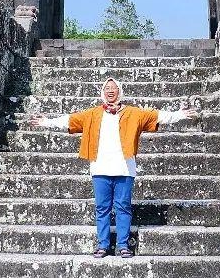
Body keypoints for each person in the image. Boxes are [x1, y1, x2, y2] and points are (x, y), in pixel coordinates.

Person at [29, 77, 198, 259]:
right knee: (102, 208)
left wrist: (179, 114)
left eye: (114, 88)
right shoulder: (92, 114)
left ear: (120, 91)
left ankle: (123, 245)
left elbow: (158, 116)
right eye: (107, 88)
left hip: (124, 169)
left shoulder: (134, 113)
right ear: (103, 92)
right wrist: (46, 121)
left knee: (123, 207)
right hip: (100, 168)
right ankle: (103, 245)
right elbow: (69, 120)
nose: (110, 91)